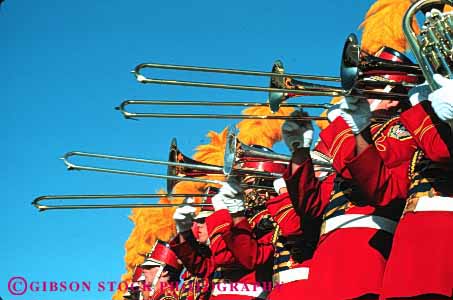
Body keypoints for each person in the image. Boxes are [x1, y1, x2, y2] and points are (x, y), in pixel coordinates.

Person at [341, 73, 453, 299]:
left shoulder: (417, 117)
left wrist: (424, 109)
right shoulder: (417, 120)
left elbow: (441, 151)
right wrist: (361, 130)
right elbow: (383, 189)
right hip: (409, 235)